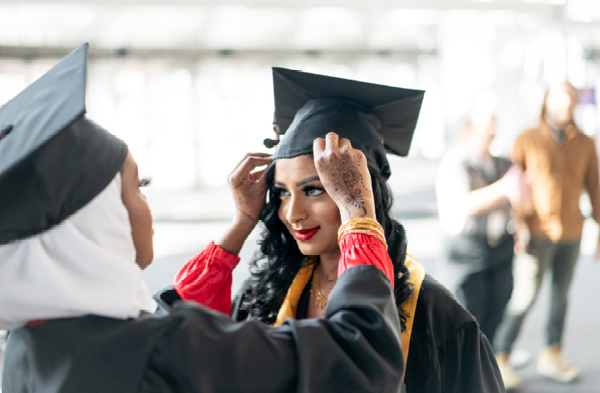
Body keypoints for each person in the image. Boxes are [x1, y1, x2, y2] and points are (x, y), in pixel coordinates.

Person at [0, 44, 407, 393]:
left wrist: (238, 228)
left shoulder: (29, 346)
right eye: (138, 188)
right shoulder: (163, 350)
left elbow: (165, 316)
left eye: (314, 189)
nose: (292, 212)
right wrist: (357, 210)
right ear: (100, 218)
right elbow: (360, 359)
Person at [160, 68, 506, 393]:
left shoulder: (436, 316)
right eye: (281, 193)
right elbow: (176, 336)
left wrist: (358, 213)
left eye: (314, 189)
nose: (292, 214)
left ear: (361, 192)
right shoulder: (267, 292)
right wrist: (241, 223)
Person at [494, 81, 600, 388]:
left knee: (561, 297)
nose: (566, 103)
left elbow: (595, 188)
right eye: (560, 98)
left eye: (571, 98)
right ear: (547, 102)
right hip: (536, 233)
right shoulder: (527, 139)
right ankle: (500, 356)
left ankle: (552, 354)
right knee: (524, 297)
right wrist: (519, 227)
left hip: (572, 232)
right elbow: (515, 186)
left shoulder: (585, 143)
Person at [435, 107, 530, 346]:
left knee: (496, 313)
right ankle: (462, 377)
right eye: (485, 125)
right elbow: (464, 204)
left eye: (493, 124)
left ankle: (486, 370)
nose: (492, 131)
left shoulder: (503, 163)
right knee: (465, 317)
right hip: (466, 250)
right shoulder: (456, 161)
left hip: (500, 247)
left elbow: (522, 204)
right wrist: (506, 187)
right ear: (469, 130)